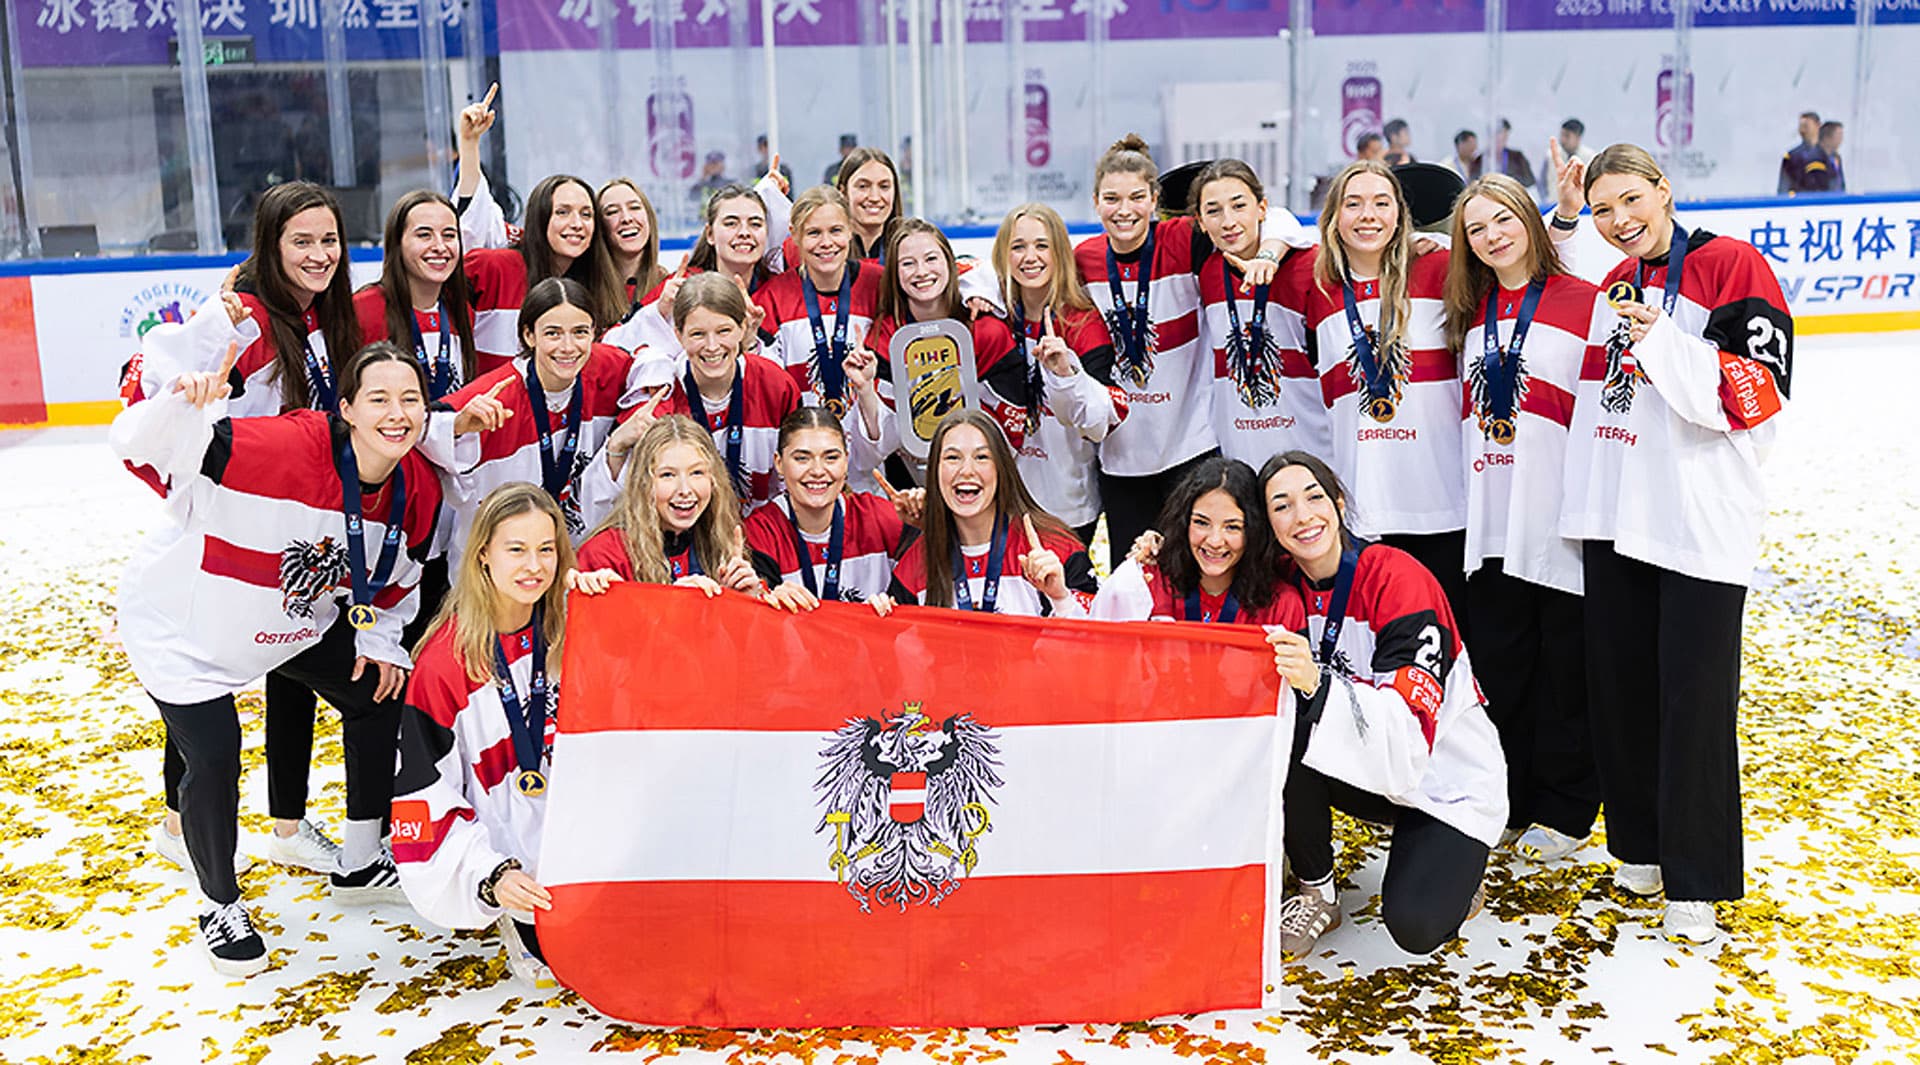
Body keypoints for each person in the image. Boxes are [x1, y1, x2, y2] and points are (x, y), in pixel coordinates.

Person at [112, 341, 445, 975]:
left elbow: (396, 584)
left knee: (379, 691)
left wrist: (377, 642)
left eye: (410, 400)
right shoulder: (284, 446)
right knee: (213, 755)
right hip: (184, 631)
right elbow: (139, 447)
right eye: (378, 399)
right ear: (345, 408)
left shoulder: (418, 487)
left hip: (287, 624)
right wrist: (179, 403)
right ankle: (219, 902)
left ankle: (361, 858)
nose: (397, 413)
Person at [1569, 143, 1792, 944]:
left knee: (1694, 700)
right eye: (1603, 210)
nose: (1620, 220)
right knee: (1622, 688)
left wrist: (1662, 335)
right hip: (1619, 511)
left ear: (1664, 191)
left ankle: (1695, 874)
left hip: (1698, 519)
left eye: (1631, 200)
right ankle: (1640, 848)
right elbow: (1606, 409)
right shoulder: (1611, 282)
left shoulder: (1733, 266)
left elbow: (1759, 399)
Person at [1260, 450, 1505, 960]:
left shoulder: (1396, 578)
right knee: (1283, 727)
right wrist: (1148, 558)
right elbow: (1206, 570)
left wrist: (1318, 686)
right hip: (1369, 768)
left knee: (1416, 927)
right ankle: (1317, 892)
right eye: (1281, 506)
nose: (1302, 516)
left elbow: (1407, 733)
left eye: (1313, 497)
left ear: (1340, 503)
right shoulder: (1278, 583)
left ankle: (1455, 868)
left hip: (1443, 778)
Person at [1443, 172, 1607, 862]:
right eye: (1477, 229)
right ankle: (1507, 793)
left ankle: (1566, 810)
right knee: (1504, 665)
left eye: (1503, 219)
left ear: (1529, 221)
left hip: (1559, 512)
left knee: (1566, 668)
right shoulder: (1469, 310)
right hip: (1492, 515)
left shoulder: (1585, 299)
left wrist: (1571, 215)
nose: (1493, 236)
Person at [1072, 135, 1306, 566]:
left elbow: (1274, 221)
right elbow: (1023, 270)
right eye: (1112, 198)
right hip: (1122, 459)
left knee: (1200, 571)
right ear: (1095, 201)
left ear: (1155, 200)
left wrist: (1270, 252)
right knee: (1135, 577)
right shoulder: (1082, 261)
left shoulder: (1182, 239)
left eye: (1137, 197)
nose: (1125, 210)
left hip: (1191, 450)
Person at [392, 483, 574, 989]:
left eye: (546, 549)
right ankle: (511, 910)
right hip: (510, 863)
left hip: (582, 850)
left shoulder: (575, 629)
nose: (534, 566)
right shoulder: (443, 666)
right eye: (516, 549)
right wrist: (489, 875)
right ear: (483, 557)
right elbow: (422, 801)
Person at [1303, 161, 1471, 630]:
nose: (1367, 215)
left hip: (1441, 502)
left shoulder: (1440, 268)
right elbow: (1271, 229)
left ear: (1401, 215)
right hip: (1365, 507)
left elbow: (1509, 252)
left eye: (1382, 203)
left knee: (1449, 641)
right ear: (1333, 216)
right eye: (1353, 204)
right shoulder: (1318, 288)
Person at [353, 189, 483, 647]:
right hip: (392, 500)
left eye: (449, 235)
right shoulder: (366, 309)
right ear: (396, 243)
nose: (439, 246)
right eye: (423, 234)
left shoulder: (458, 310)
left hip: (445, 497)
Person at [441, 278, 636, 558]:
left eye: (580, 332)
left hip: (566, 565)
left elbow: (651, 363)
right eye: (553, 334)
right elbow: (423, 427)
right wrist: (457, 427)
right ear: (529, 335)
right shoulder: (495, 396)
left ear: (594, 332)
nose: (568, 347)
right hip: (490, 570)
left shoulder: (607, 373)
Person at [597, 273, 823, 513]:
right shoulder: (660, 393)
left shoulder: (775, 385)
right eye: (698, 334)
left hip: (761, 533)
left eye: (723, 331)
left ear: (743, 328)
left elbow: (794, 473)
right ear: (678, 335)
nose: (712, 346)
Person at [452, 88, 628, 366]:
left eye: (586, 214)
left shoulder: (599, 287)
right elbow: (472, 223)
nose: (576, 224)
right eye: (562, 212)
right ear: (539, 218)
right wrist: (469, 144)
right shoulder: (496, 268)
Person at [991, 202, 1126, 557]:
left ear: (1059, 253)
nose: (1029, 257)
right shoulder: (995, 318)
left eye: (1041, 245)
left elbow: (1098, 424)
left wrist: (1066, 373)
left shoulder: (1083, 323)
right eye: (1018, 246)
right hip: (1004, 500)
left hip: (1068, 504)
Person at [880, 409, 1098, 617]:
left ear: (1002, 468)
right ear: (935, 471)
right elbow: (895, 646)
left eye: (982, 457)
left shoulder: (1055, 549)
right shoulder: (917, 562)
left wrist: (1061, 599)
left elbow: (1100, 641)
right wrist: (880, 613)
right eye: (952, 458)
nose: (966, 470)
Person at [1190, 158, 1330, 468]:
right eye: (1214, 211)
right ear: (1200, 221)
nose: (1228, 221)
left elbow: (1288, 224)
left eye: (1239, 206)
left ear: (1262, 208)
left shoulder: (1308, 262)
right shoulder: (1207, 272)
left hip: (1310, 453)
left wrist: (1269, 255)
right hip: (1239, 455)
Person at [744, 407, 924, 612]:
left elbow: (936, 585)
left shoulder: (882, 518)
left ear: (846, 461)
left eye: (831, 457)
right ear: (779, 463)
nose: (818, 471)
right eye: (802, 458)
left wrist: (931, 524)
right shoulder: (760, 532)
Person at [1093, 456, 1298, 627]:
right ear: (1183, 522)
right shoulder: (1148, 582)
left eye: (1232, 527)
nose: (1215, 541)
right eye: (1201, 523)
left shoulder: (1281, 604)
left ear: (1254, 530)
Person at [570, 415, 764, 596]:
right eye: (667, 475)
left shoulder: (719, 539)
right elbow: (595, 630)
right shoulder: (605, 555)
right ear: (643, 483)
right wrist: (670, 602)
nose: (685, 489)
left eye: (696, 473)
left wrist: (745, 599)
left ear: (714, 479)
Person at [602, 183, 775, 361]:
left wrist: (751, 344)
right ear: (710, 234)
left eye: (755, 224)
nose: (744, 233)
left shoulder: (778, 291)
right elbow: (609, 346)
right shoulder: (680, 286)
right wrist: (659, 311)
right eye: (731, 223)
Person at [754, 187, 885, 419]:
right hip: (803, 440)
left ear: (850, 229)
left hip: (872, 442)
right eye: (814, 233)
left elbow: (937, 278)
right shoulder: (773, 296)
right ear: (794, 235)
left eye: (836, 230)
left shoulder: (879, 283)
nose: (826, 243)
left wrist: (970, 289)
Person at [597, 177, 667, 315]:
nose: (627, 218)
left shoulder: (668, 286)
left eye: (634, 207)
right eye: (612, 212)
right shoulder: (583, 291)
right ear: (600, 228)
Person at [1537, 119, 1593, 202]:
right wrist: (1545, 200)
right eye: (1562, 135)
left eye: (1567, 136)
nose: (1562, 140)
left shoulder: (1589, 157)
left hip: (1583, 209)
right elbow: (1542, 183)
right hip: (1554, 205)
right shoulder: (1551, 155)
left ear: (1578, 138)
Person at [1777, 111, 1822, 194]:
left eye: (1806, 126)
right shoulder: (1792, 156)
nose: (1802, 130)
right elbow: (1784, 187)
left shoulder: (1830, 155)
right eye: (1801, 127)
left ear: (1818, 126)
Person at [1489, 119, 1536, 190]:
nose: (1502, 137)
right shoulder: (1481, 159)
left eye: (1505, 134)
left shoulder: (1517, 157)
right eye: (1499, 133)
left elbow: (1530, 181)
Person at [1806, 121, 1846, 193]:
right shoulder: (1814, 158)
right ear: (1827, 137)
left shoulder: (1836, 157)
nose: (1841, 140)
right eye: (1839, 136)